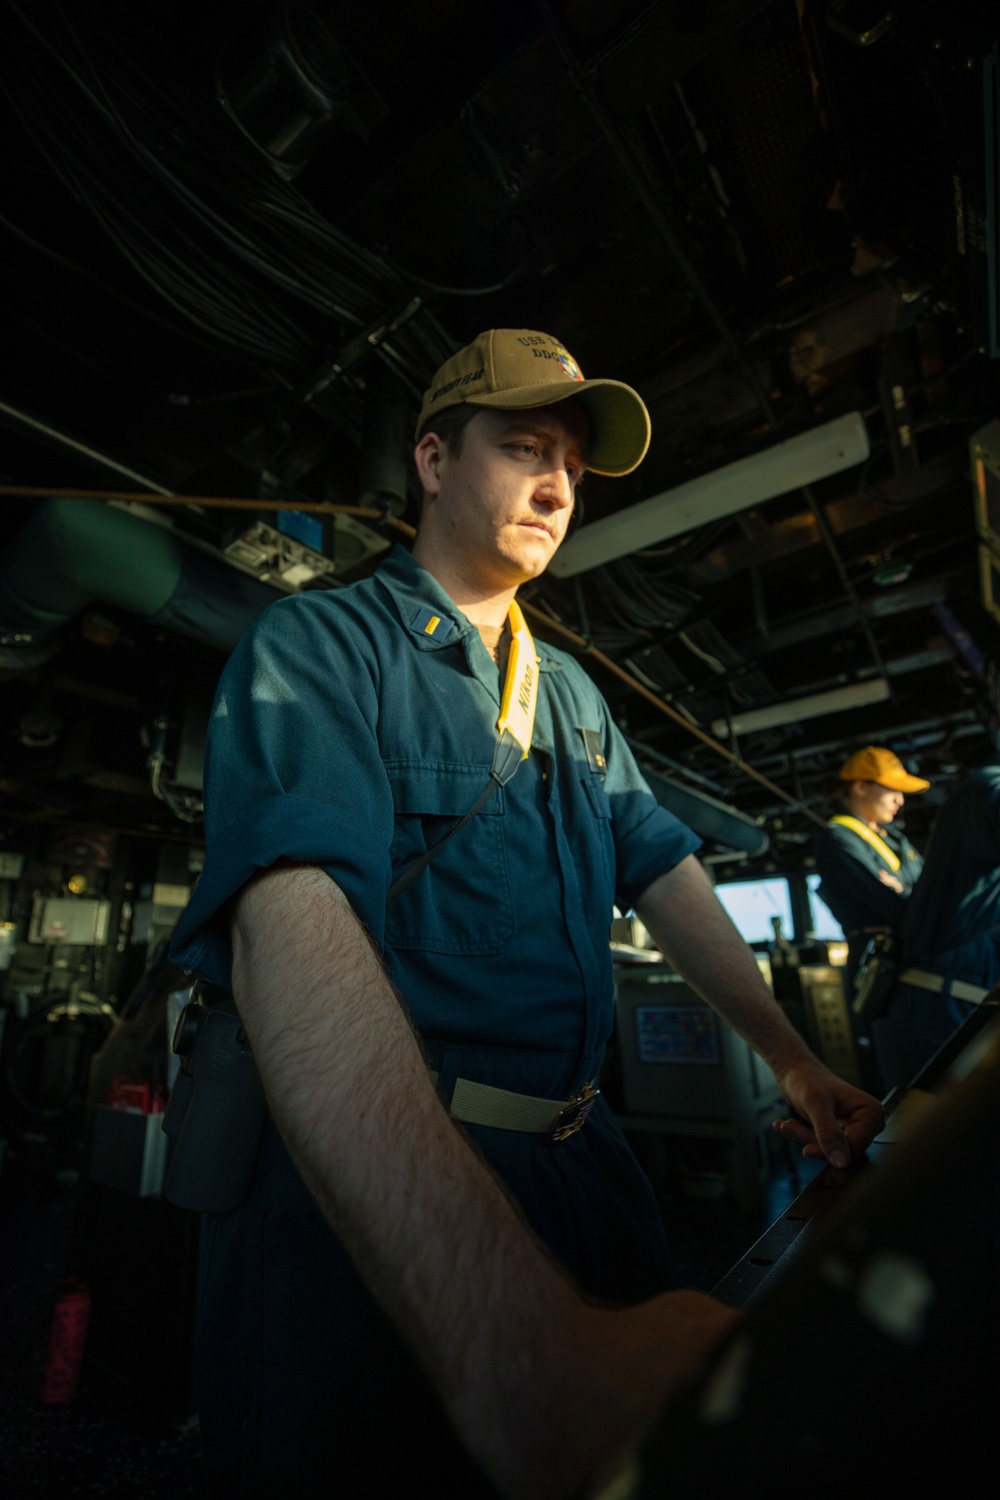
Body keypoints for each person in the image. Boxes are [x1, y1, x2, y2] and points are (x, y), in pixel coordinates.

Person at [170, 328, 883, 1500]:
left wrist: (794, 1061)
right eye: (525, 447)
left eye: (573, 467)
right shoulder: (320, 646)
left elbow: (661, 871)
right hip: (392, 1168)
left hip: (579, 1157)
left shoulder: (572, 691)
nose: (559, 484)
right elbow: (287, 917)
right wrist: (516, 1343)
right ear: (436, 460)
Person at [873, 762, 1000, 1093]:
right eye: (891, 789)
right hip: (937, 1006)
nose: (900, 800)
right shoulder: (989, 789)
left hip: (958, 999)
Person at [813, 745, 928, 982]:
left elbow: (927, 889)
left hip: (917, 958)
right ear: (860, 787)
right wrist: (906, 894)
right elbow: (892, 904)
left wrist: (902, 889)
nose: (900, 799)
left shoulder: (895, 838)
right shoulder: (839, 837)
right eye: (892, 789)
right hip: (879, 967)